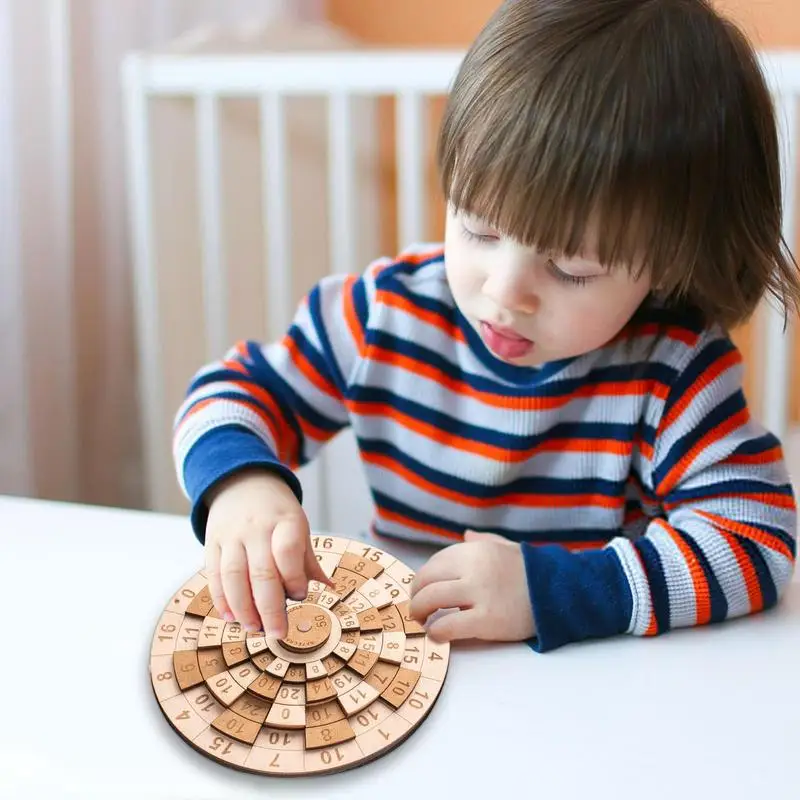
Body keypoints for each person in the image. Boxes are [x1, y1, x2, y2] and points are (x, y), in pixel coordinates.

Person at [172, 0, 800, 653]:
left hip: (587, 686)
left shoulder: (673, 372)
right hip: (403, 658)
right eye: (478, 229)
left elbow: (755, 537)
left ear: (669, 262)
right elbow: (230, 394)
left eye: (572, 269)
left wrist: (550, 592)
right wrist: (241, 485)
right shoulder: (382, 315)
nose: (505, 292)